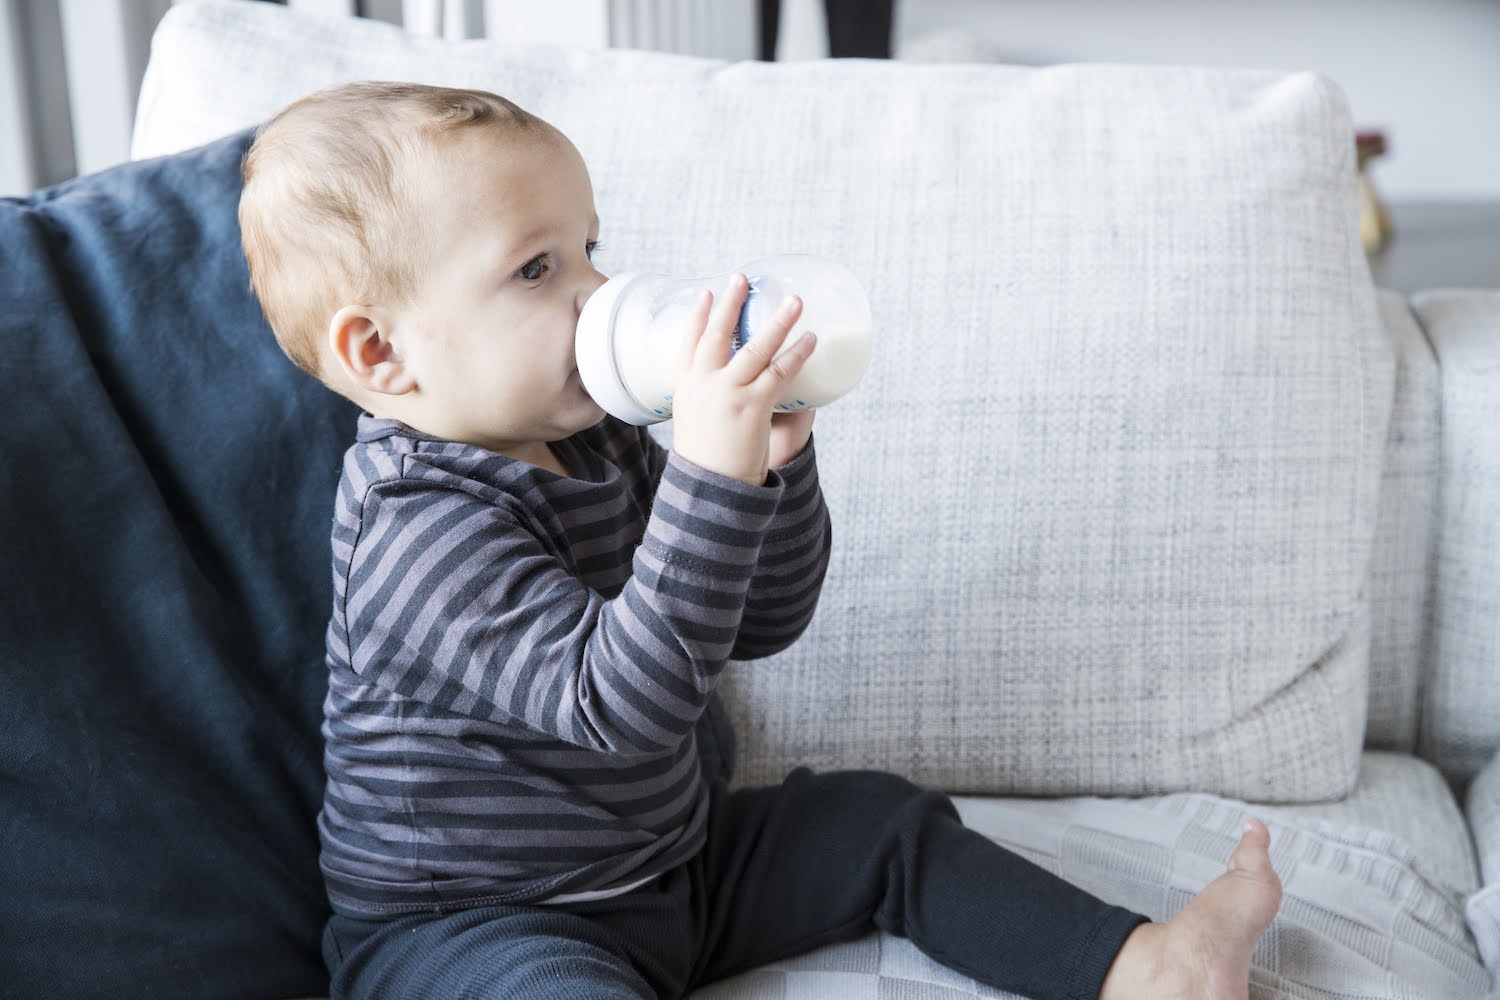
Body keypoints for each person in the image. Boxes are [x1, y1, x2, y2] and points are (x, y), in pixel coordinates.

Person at [238, 81, 1283, 1000]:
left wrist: (772, 469)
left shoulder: (602, 440)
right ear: (383, 351)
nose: (598, 294)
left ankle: (1147, 968)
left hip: (676, 867)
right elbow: (621, 705)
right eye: (535, 270)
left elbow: (761, 621)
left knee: (878, 823)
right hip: (478, 925)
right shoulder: (414, 526)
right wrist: (707, 476)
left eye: (591, 249)